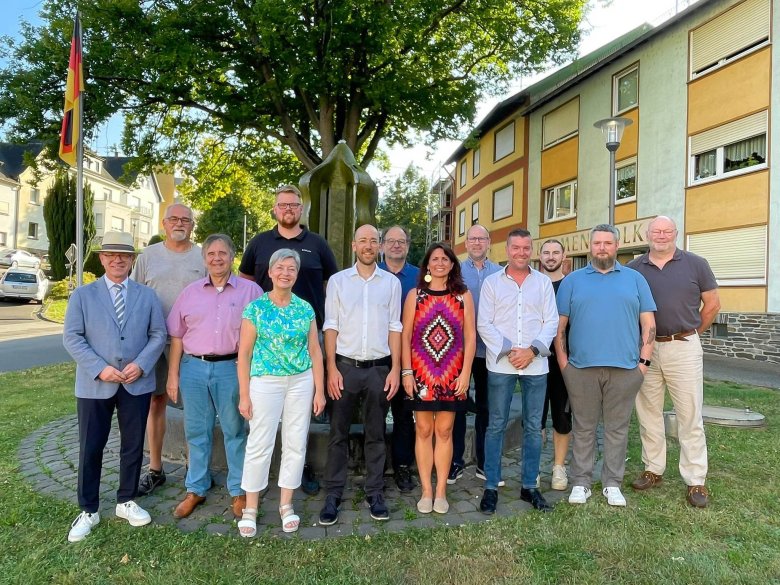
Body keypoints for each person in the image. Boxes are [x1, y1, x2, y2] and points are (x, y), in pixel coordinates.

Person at [63, 231, 166, 542]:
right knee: (90, 446)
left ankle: (126, 500)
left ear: (133, 260)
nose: (118, 259)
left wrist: (142, 364)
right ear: (102, 259)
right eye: (111, 255)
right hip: (95, 384)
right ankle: (89, 509)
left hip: (137, 382)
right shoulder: (82, 295)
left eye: (125, 255)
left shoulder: (147, 296)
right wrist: (100, 368)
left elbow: (158, 335)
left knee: (133, 445)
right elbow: (72, 338)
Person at [239, 184, 338, 494]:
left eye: (294, 205)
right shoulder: (259, 244)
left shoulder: (318, 245)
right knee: (263, 427)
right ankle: (258, 483)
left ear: (301, 209)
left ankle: (300, 471)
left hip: (306, 338)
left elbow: (330, 286)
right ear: (274, 209)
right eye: (283, 205)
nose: (288, 210)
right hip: (266, 343)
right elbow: (246, 286)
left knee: (299, 423)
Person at [555, 224, 656, 507]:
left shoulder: (635, 279)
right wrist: (565, 365)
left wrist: (643, 364)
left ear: (616, 246)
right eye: (597, 243)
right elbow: (560, 328)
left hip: (625, 370)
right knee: (584, 427)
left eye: (607, 243)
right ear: (590, 246)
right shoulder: (573, 281)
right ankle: (581, 482)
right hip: (581, 369)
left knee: (617, 429)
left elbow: (648, 323)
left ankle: (612, 483)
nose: (602, 247)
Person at [166, 234, 262, 520]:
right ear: (204, 258)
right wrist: (173, 375)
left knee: (234, 430)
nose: (217, 258)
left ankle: (238, 490)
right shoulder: (190, 292)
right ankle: (196, 487)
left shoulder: (251, 292)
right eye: (211, 254)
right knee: (196, 430)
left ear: (232, 256)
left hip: (231, 368)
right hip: (193, 368)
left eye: (223, 253)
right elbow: (177, 336)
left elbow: (261, 337)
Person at [628, 216, 720, 508]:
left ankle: (695, 480)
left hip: (684, 346)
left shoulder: (696, 264)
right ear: (648, 234)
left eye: (667, 231)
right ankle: (653, 469)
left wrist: (691, 334)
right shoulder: (634, 269)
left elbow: (713, 304)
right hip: (647, 350)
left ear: (676, 234)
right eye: (657, 231)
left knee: (689, 414)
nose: (662, 235)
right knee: (647, 411)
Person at [236, 249, 326, 536]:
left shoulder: (305, 308)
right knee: (260, 443)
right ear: (271, 272)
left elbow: (315, 350)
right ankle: (250, 507)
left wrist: (319, 391)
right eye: (281, 268)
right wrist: (244, 394)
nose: (286, 273)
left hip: (301, 381)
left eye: (291, 269)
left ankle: (286, 504)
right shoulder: (256, 308)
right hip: (266, 382)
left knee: (296, 442)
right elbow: (245, 353)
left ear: (296, 275)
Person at [319, 224, 402, 525]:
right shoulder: (339, 282)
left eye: (373, 241)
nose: (368, 246)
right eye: (363, 240)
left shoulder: (391, 283)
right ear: (354, 245)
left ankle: (375, 492)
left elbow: (396, 327)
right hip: (344, 369)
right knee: (337, 433)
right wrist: (330, 368)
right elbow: (331, 326)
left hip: (379, 369)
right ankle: (333, 493)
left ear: (379, 246)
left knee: (376, 434)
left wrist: (395, 368)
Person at [477, 229, 559, 514]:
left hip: (536, 365)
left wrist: (532, 351)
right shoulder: (491, 283)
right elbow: (484, 323)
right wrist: (511, 350)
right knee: (496, 424)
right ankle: (490, 486)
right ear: (507, 249)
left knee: (534, 427)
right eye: (516, 248)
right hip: (501, 363)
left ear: (531, 249)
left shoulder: (543, 283)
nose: (521, 253)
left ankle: (529, 486)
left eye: (526, 248)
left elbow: (551, 322)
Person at [132, 203, 205, 496]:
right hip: (153, 341)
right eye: (174, 218)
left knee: (195, 408)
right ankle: (156, 468)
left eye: (185, 219)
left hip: (190, 343)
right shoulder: (148, 256)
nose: (180, 223)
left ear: (192, 225)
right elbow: (135, 295)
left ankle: (194, 469)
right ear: (164, 223)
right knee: (155, 402)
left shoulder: (203, 256)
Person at [401, 243, 475, 514]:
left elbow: (470, 336)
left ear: (453, 264)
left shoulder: (463, 296)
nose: (440, 263)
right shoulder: (415, 295)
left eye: (445, 258)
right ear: (428, 265)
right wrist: (407, 372)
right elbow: (406, 335)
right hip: (421, 372)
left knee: (444, 431)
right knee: (423, 430)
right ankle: (426, 490)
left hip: (452, 374)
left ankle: (441, 491)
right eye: (435, 259)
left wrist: (466, 372)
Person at [449, 224, 500, 484]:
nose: (477, 243)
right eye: (473, 239)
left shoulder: (500, 273)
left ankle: (483, 462)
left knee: (486, 409)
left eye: (482, 238)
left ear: (488, 242)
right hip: (458, 352)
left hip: (489, 352)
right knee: (457, 407)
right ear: (466, 243)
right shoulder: (454, 272)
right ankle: (455, 461)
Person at [378, 225, 419, 493]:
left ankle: (403, 467)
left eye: (400, 241)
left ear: (407, 245)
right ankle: (378, 468)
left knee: (405, 415)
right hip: (376, 356)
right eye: (390, 241)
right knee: (376, 416)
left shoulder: (419, 276)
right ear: (382, 246)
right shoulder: (370, 273)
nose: (395, 245)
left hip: (410, 357)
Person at [538, 239, 572, 491]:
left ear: (563, 255)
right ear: (539, 256)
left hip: (564, 363)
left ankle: (559, 467)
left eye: (555, 252)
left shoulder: (572, 284)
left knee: (562, 416)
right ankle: (535, 467)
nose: (551, 257)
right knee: (534, 419)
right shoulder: (532, 283)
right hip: (535, 362)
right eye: (546, 252)